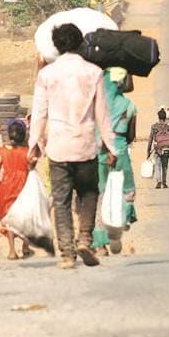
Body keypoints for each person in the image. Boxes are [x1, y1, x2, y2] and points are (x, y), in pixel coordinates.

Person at [28, 23, 117, 269]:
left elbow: (39, 113)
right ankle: (85, 238)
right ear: (79, 43)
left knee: (62, 200)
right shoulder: (94, 72)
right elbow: (102, 115)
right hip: (86, 144)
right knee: (89, 194)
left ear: (56, 45)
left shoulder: (46, 75)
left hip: (58, 147)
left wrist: (33, 145)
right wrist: (111, 147)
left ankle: (67, 253)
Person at [93, 67, 137, 255]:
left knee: (101, 194)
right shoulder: (128, 105)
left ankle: (100, 244)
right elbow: (131, 135)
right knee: (126, 192)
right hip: (119, 151)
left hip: (98, 152)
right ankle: (118, 233)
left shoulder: (95, 105)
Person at [0, 120, 33, 260]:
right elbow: (31, 168)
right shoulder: (27, 153)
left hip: (7, 186)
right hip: (24, 186)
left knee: (9, 217)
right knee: (24, 216)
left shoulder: (2, 151)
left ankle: (11, 250)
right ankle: (26, 246)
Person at [148, 109, 169, 188]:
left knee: (157, 165)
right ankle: (164, 182)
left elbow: (150, 139)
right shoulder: (168, 127)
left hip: (157, 149)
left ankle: (159, 181)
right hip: (167, 148)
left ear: (158, 117)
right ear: (165, 117)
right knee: (165, 165)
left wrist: (148, 150)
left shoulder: (154, 127)